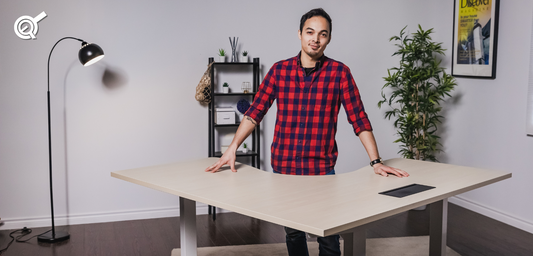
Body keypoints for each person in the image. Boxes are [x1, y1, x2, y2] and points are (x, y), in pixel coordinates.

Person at [204, 8, 409, 256]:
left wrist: (376, 161)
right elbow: (255, 112)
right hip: (284, 169)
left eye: (323, 34)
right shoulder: (279, 71)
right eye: (310, 32)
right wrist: (232, 147)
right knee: (293, 233)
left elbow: (359, 118)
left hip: (322, 170)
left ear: (329, 38)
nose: (316, 39)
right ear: (300, 34)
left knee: (330, 237)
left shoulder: (340, 73)